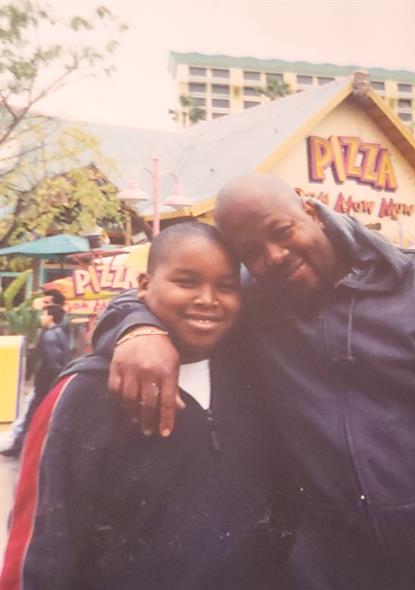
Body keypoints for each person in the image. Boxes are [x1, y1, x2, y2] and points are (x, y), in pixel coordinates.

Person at [85, 175, 415, 590]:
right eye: (251, 252)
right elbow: (165, 292)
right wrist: (139, 328)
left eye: (281, 232)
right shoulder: (255, 306)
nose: (275, 256)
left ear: (309, 207)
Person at [0, 223, 290, 590]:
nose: (207, 299)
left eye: (226, 286)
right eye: (186, 282)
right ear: (143, 284)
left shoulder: (255, 378)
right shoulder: (83, 393)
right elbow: (36, 546)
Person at [0, 305, 70, 459]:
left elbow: (51, 362)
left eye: (44, 314)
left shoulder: (49, 336)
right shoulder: (61, 333)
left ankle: (18, 446)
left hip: (43, 384)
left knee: (30, 416)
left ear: (50, 317)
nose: (41, 318)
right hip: (51, 384)